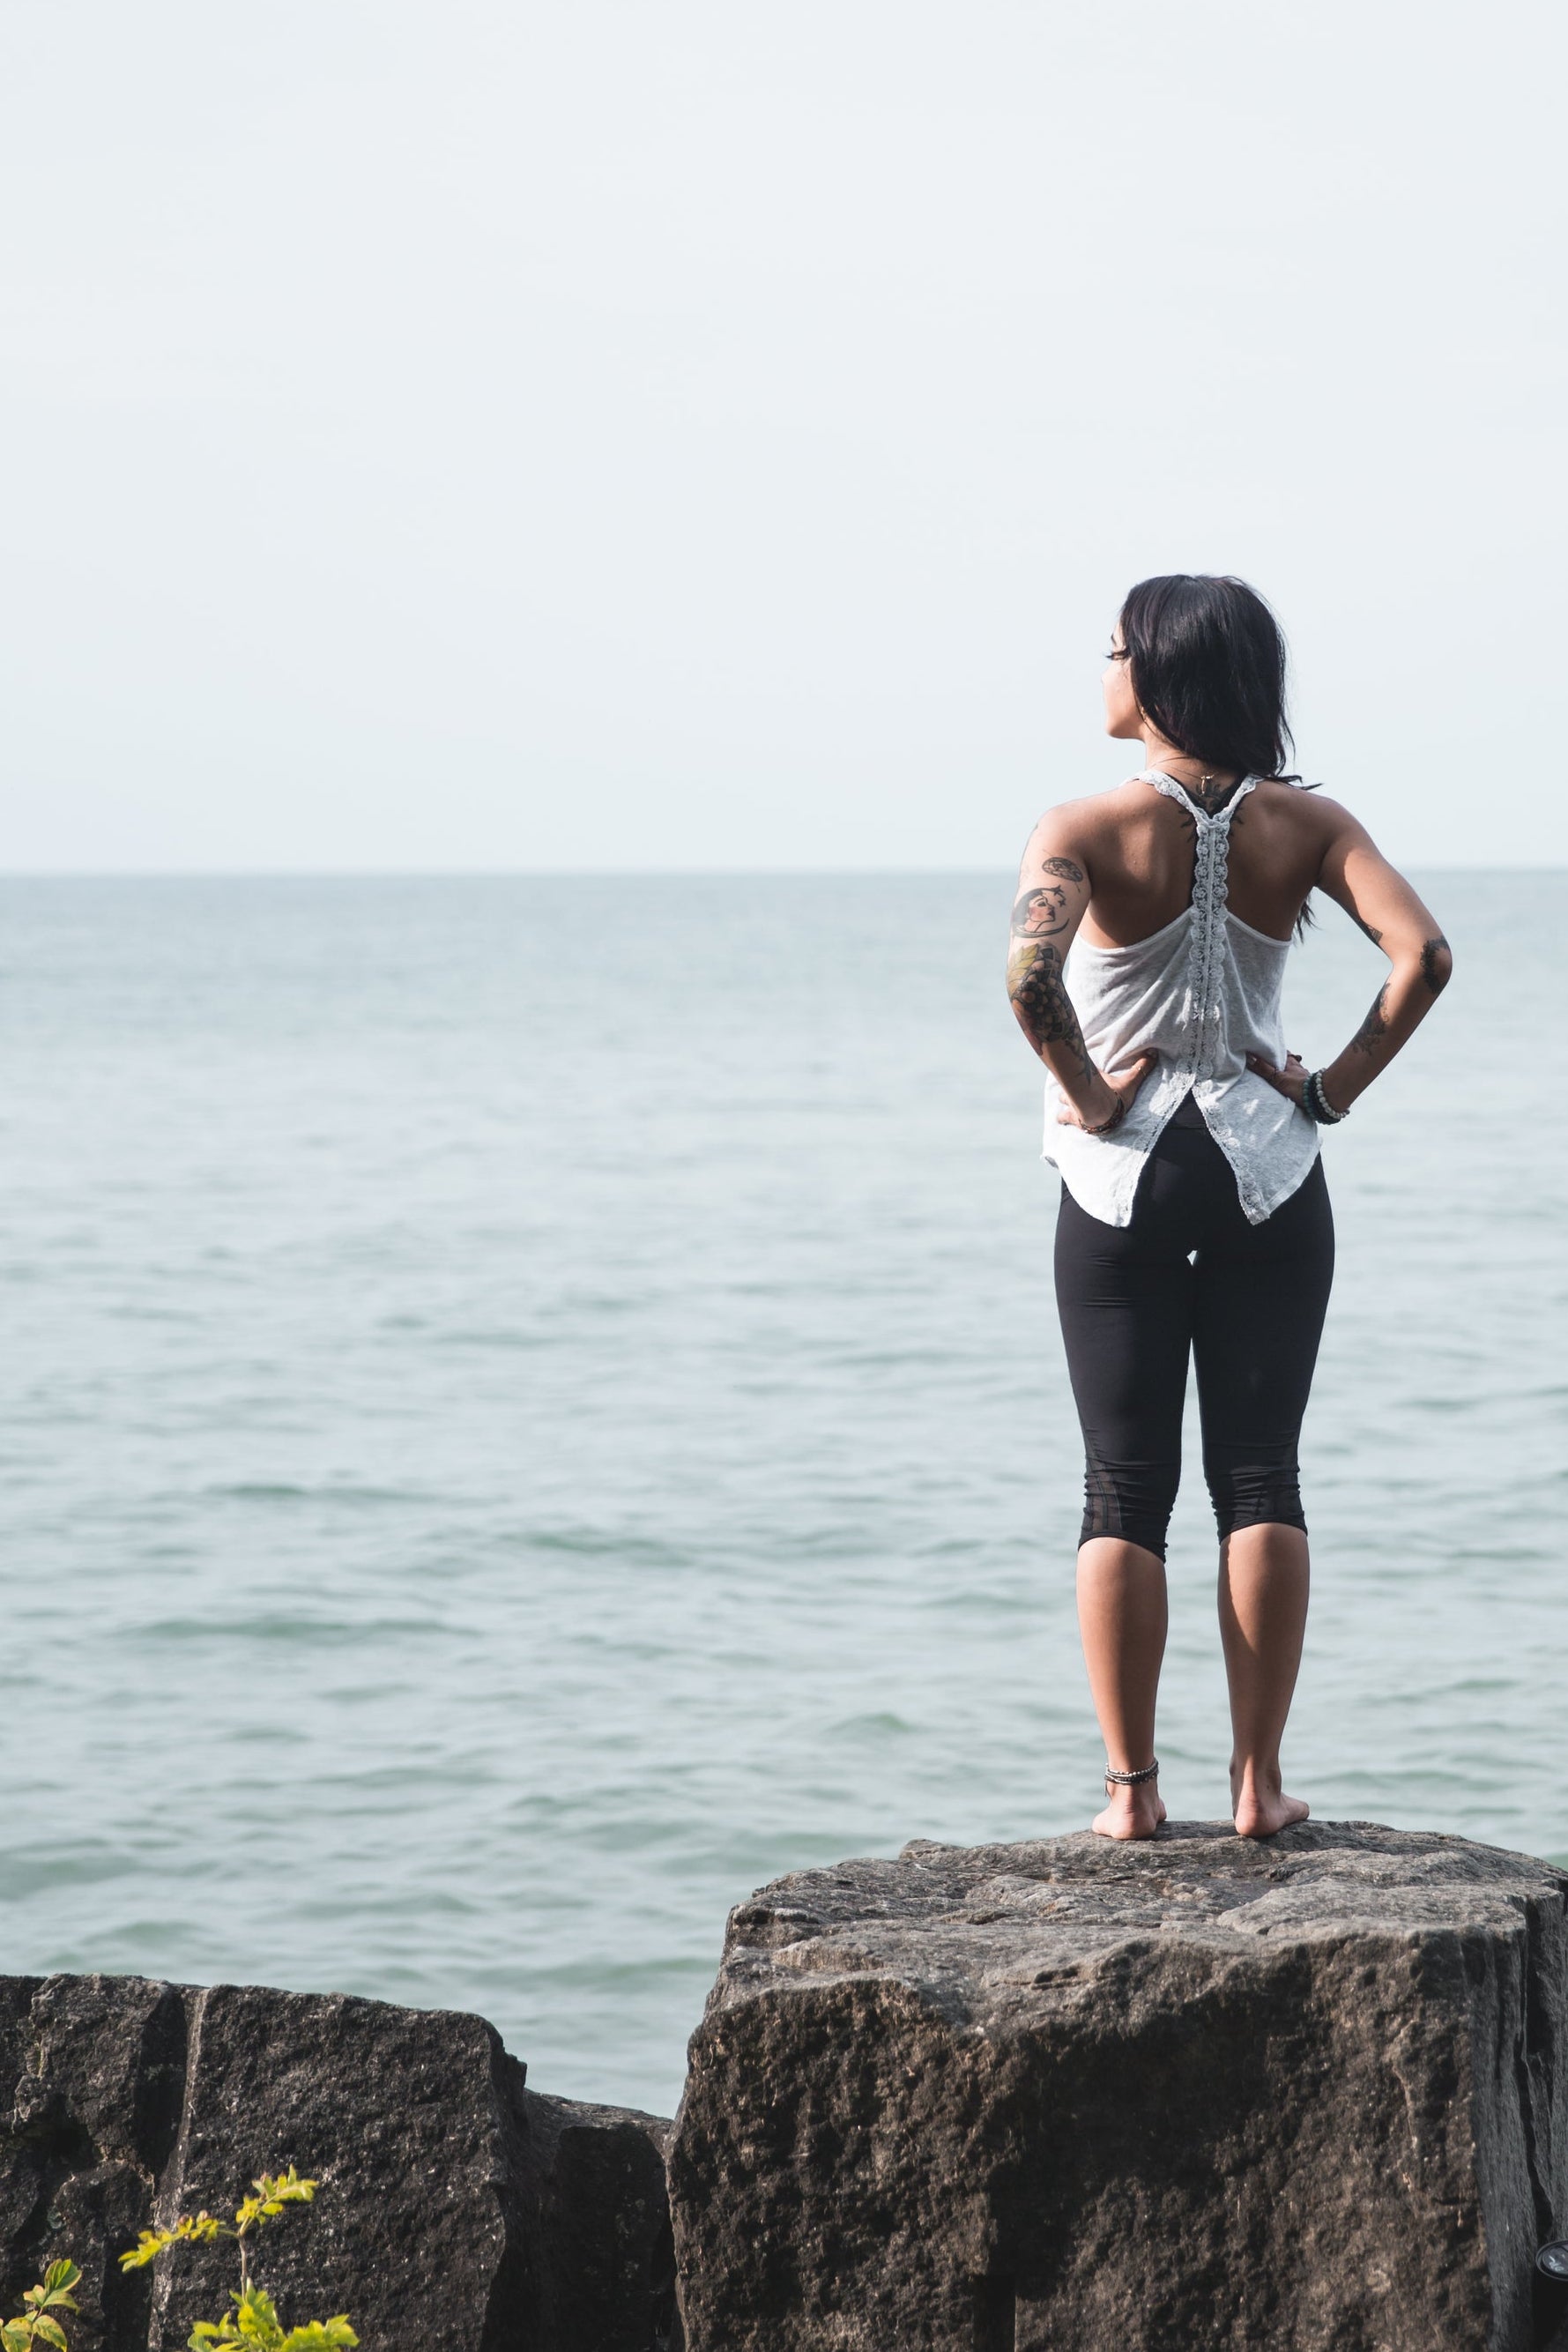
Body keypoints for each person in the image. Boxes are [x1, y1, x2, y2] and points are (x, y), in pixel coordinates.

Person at [1007, 574, 1451, 1841]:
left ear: (1158, 675)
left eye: (1113, 653)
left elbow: (1029, 972)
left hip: (1121, 1180)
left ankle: (1130, 1795)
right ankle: (1258, 1787)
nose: (1102, 673)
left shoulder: (1081, 824)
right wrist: (1334, 1088)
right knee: (1261, 1479)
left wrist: (1088, 1092)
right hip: (1268, 1167)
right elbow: (1426, 957)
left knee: (1120, 1489)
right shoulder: (1307, 829)